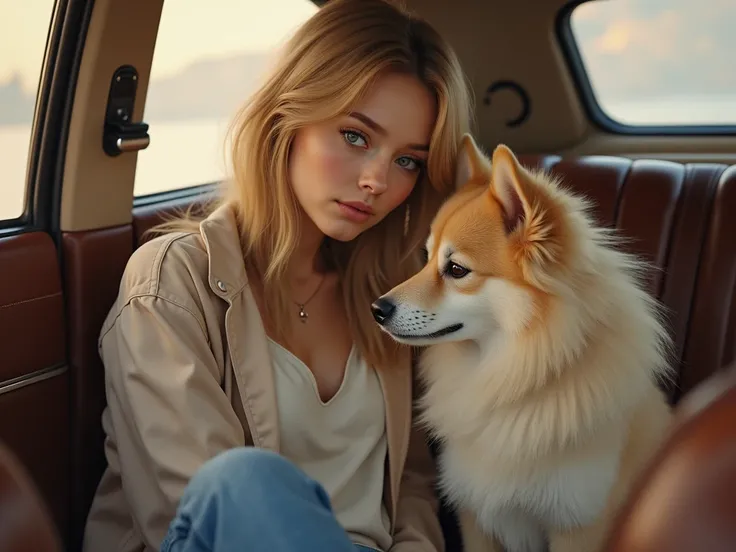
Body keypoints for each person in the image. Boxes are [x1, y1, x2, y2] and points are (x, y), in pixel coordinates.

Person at [82, 0, 473, 550]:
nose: (377, 180)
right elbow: (201, 506)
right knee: (242, 481)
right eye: (356, 137)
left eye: (408, 159)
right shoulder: (172, 281)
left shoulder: (393, 298)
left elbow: (410, 484)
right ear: (286, 119)